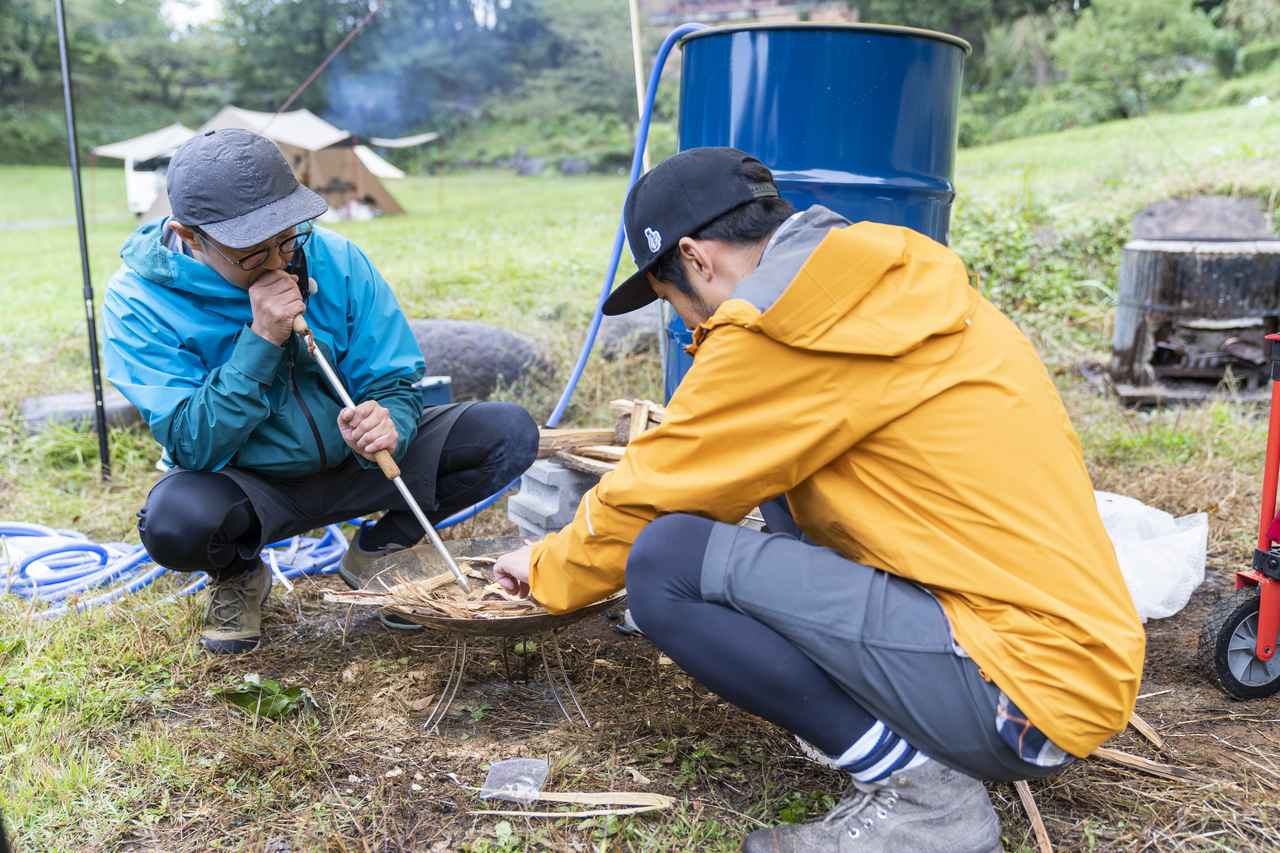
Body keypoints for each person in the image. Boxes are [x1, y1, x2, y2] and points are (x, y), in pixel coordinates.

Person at [494, 147, 1145, 852]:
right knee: (780, 494)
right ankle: (905, 717)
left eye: (676, 301)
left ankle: (925, 801)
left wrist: (549, 567)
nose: (690, 330)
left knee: (666, 562)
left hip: (1017, 697)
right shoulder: (877, 282)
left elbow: (652, 492)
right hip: (1078, 660)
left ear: (696, 258)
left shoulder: (779, 323)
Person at [105, 129, 538, 654]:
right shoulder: (137, 302)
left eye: (286, 239)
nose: (274, 261)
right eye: (250, 252)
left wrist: (392, 421)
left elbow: (393, 378)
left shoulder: (337, 259)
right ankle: (239, 573)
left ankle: (382, 550)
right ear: (190, 237)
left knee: (507, 432)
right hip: (251, 484)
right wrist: (260, 341)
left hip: (359, 465)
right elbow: (192, 443)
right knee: (176, 522)